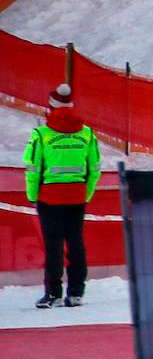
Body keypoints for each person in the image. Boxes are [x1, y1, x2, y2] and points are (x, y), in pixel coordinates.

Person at [24, 84, 99, 309]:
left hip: (49, 198)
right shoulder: (87, 133)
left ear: (52, 106)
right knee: (76, 244)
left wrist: (32, 195)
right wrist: (86, 194)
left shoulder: (41, 134)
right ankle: (76, 293)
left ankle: (53, 294)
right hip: (76, 197)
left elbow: (33, 168)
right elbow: (94, 168)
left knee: (53, 245)